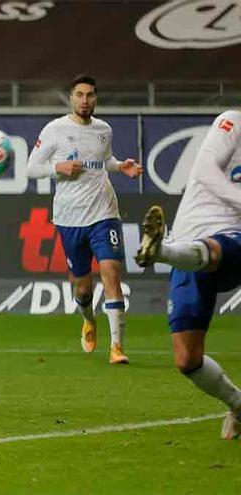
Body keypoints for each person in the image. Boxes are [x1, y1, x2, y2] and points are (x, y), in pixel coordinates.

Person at [135, 110, 241, 440]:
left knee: (216, 249)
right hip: (189, 241)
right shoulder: (234, 121)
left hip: (233, 239)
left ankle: (160, 250)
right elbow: (204, 170)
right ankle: (238, 405)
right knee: (187, 359)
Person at [27, 74, 142, 364]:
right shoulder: (55, 130)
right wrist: (58, 167)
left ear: (95, 98)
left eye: (90, 95)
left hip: (104, 212)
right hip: (69, 218)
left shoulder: (104, 130)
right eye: (79, 95)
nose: (85, 100)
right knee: (82, 285)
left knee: (111, 272)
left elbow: (103, 161)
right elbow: (31, 168)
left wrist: (120, 166)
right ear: (71, 97)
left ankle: (117, 347)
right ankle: (88, 319)